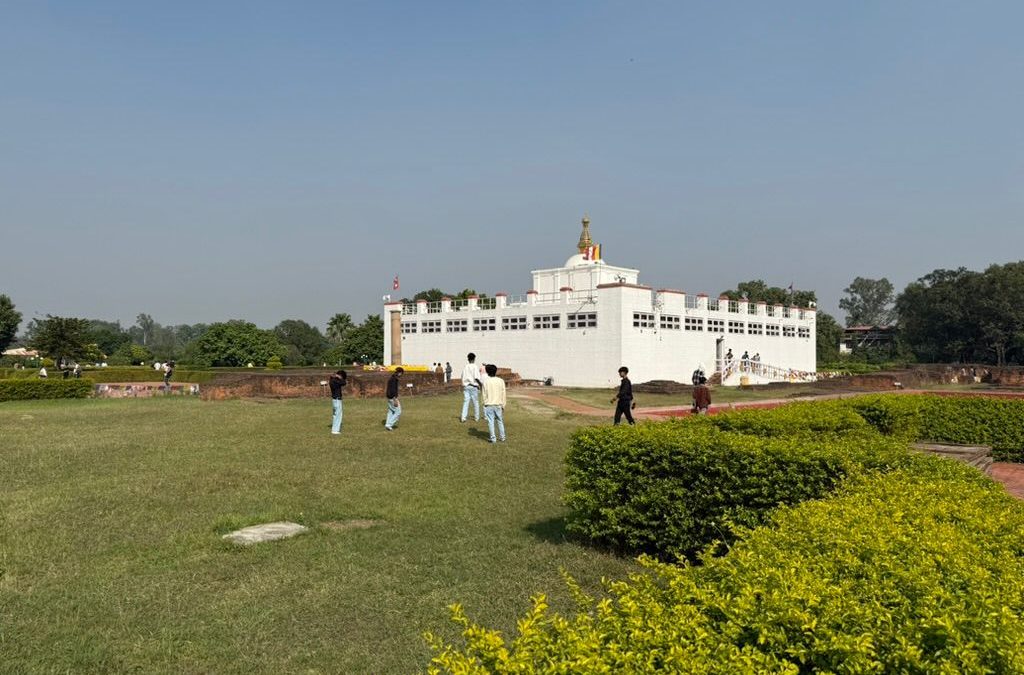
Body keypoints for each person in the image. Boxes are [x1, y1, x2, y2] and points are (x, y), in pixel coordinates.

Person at [481, 363, 507, 443]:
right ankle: (502, 437)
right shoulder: (501, 381)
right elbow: (503, 393)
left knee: (491, 422)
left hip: (489, 404)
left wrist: (484, 403)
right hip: (498, 404)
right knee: (499, 420)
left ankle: (493, 438)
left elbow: (483, 394)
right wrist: (503, 404)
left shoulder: (486, 382)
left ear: (487, 372)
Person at [460, 353, 483, 422]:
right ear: (474, 359)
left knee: (466, 402)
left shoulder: (465, 367)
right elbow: (476, 377)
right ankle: (476, 417)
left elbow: (462, 376)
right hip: (473, 386)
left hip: (466, 386)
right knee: (475, 402)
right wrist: (480, 385)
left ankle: (463, 417)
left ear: (468, 359)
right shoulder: (475, 366)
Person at [328, 369, 347, 434]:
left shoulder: (332, 380)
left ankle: (334, 429)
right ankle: (335, 430)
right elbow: (344, 382)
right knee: (338, 415)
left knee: (335, 415)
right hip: (337, 399)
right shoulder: (335, 381)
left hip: (334, 400)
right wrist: (338, 377)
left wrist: (336, 376)